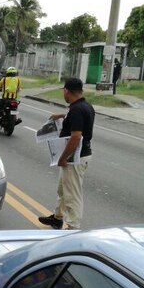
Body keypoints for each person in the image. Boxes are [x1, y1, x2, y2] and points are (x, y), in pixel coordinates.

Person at [38, 78, 95, 230]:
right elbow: (78, 119)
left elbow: (76, 136)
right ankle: (57, 218)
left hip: (75, 158)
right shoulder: (85, 106)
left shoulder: (76, 109)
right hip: (79, 156)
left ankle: (73, 227)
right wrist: (63, 115)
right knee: (63, 189)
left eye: (64, 91)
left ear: (66, 91)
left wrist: (63, 157)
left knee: (72, 194)